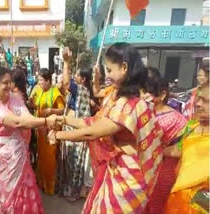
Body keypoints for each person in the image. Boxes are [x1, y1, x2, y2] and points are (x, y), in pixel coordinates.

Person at [48, 42, 163, 213]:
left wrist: (57, 136)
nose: (107, 75)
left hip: (129, 180)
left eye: (109, 70)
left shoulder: (132, 103)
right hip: (115, 170)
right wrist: (63, 119)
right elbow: (93, 122)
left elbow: (91, 132)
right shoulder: (117, 96)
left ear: (124, 67)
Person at [0, 67, 59, 213]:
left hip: (19, 155)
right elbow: (17, 123)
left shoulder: (14, 98)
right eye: (5, 83)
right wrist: (46, 121)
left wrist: (43, 123)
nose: (9, 86)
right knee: (8, 200)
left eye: (10, 82)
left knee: (26, 195)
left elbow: (27, 118)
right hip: (1, 160)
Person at [143, 67, 187, 214]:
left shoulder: (174, 118)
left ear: (162, 95)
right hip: (142, 172)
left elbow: (184, 148)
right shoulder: (142, 112)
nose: (143, 96)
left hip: (162, 174)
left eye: (147, 91)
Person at [165, 85, 209, 214]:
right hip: (179, 199)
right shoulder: (191, 126)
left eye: (206, 101)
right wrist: (153, 150)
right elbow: (180, 149)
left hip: (203, 204)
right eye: (199, 99)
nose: (199, 104)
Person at [57, 47, 93, 201]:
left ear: (83, 79)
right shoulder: (82, 90)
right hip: (71, 126)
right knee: (68, 160)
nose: (75, 77)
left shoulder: (82, 90)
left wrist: (66, 63)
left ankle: (73, 190)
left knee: (73, 161)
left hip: (76, 130)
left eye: (77, 75)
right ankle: (70, 188)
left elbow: (66, 83)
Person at [30, 68, 65, 195]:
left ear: (48, 81)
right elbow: (35, 107)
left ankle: (50, 187)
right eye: (38, 80)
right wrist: (32, 104)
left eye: (41, 80)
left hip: (51, 132)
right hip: (40, 130)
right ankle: (41, 183)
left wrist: (51, 110)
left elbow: (62, 110)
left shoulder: (55, 92)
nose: (39, 83)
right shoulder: (38, 90)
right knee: (41, 158)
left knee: (50, 159)